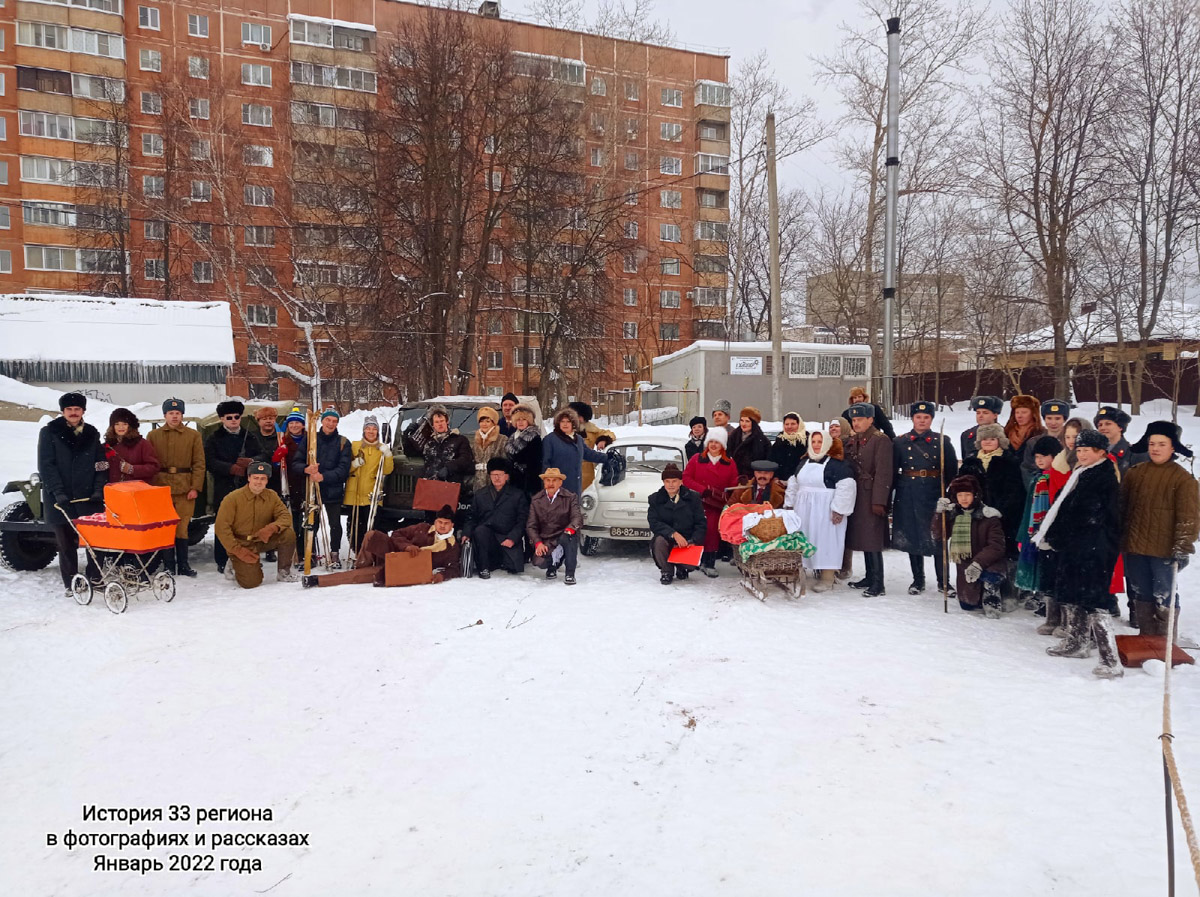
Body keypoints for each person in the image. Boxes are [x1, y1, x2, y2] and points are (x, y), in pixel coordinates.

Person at [1035, 428, 1124, 677]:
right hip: (1077, 546)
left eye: (1087, 450)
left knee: (1095, 601)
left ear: (1100, 452)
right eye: (1080, 450)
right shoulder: (1081, 473)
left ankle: (1110, 660)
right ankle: (1077, 643)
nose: (1082, 454)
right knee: (1073, 595)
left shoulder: (1103, 476)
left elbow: (1084, 514)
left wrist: (1056, 534)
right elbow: (1064, 507)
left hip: (1095, 547)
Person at [1120, 421, 1199, 639]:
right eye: (1152, 443)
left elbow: (1189, 518)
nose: (1155, 448)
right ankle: (1147, 637)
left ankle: (1165, 641)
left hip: (1164, 551)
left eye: (1162, 444)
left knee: (1164, 594)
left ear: (1173, 447)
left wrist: (1182, 547)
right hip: (1135, 547)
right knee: (1141, 592)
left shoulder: (1183, 479)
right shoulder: (1134, 473)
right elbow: (1122, 509)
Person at [38, 392, 107, 594]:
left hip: (88, 498)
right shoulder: (49, 432)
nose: (73, 413)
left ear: (83, 411)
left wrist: (98, 489)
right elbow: (46, 465)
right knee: (66, 544)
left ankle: (94, 577)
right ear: (63, 411)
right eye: (69, 409)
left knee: (97, 542)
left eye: (77, 409)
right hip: (60, 498)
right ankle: (72, 583)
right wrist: (57, 492)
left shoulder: (92, 433)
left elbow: (101, 464)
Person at [892, 400, 958, 596]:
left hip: (933, 493)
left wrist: (947, 495)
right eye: (918, 417)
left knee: (938, 536)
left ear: (931, 419)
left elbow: (952, 471)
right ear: (912, 418)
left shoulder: (942, 441)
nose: (922, 421)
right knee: (913, 536)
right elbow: (894, 471)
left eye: (926, 417)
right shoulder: (900, 442)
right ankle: (917, 580)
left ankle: (943, 581)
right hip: (909, 493)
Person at [784, 428, 856, 592]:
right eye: (814, 442)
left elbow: (846, 487)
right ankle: (801, 571)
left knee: (826, 540)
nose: (816, 445)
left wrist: (839, 510)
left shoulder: (838, 464)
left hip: (826, 510)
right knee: (804, 538)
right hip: (803, 509)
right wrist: (789, 504)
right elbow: (794, 484)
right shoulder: (803, 462)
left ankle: (827, 577)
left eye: (820, 441)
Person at [932, 474, 1008, 616]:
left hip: (987, 563)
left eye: (968, 494)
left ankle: (991, 596)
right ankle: (976, 595)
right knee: (967, 605)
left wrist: (978, 564)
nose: (964, 498)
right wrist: (939, 514)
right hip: (965, 567)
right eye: (960, 495)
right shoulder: (953, 515)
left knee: (992, 574)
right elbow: (938, 535)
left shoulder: (989, 517)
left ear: (976, 495)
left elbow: (997, 546)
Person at [214, 461, 298, 588]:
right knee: (251, 583)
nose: (259, 482)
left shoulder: (272, 496)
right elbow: (221, 528)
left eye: (263, 478)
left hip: (261, 540)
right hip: (241, 544)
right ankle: (233, 562)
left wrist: (271, 528)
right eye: (255, 478)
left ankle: (284, 572)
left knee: (288, 534)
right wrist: (238, 551)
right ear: (248, 478)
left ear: (267, 480)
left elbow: (285, 517)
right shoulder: (232, 499)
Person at [147, 397, 205, 577]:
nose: (174, 417)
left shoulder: (193, 435)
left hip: (184, 487)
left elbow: (199, 463)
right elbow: (149, 462)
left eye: (178, 413)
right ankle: (169, 565)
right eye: (171, 413)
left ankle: (184, 565)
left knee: (182, 526)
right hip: (160, 487)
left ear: (182, 415)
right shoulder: (153, 436)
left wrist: (195, 487)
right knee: (165, 527)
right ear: (164, 415)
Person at [958, 423, 1026, 571]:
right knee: (981, 547)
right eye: (984, 439)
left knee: (1003, 547)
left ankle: (1010, 582)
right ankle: (985, 584)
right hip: (976, 514)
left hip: (1004, 514)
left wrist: (1000, 510)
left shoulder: (1009, 461)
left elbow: (1015, 490)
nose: (988, 442)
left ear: (1000, 441)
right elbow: (961, 486)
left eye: (992, 438)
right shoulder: (970, 462)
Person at [340, 504, 461, 586]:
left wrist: (442, 576)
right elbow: (397, 534)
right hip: (395, 553)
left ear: (452, 525)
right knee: (372, 535)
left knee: (368, 575)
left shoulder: (451, 546)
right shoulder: (422, 528)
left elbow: (454, 568)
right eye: (440, 522)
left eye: (446, 523)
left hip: (406, 568)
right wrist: (407, 546)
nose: (442, 525)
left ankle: (366, 572)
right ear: (435, 522)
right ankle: (361, 566)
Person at [843, 402, 893, 597]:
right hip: (858, 494)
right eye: (854, 420)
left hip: (872, 495)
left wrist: (879, 501)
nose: (856, 423)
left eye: (860, 419)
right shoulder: (857, 439)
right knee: (864, 537)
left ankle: (878, 583)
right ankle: (869, 576)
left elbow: (884, 473)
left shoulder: (880, 440)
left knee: (872, 539)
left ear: (871, 420)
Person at [1015, 436, 1063, 634]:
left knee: (1055, 575)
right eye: (1037, 456)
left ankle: (1061, 619)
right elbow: (1028, 509)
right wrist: (1023, 536)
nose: (1040, 460)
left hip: (1051, 534)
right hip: (1034, 531)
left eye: (1045, 456)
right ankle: (1051, 617)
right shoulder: (1037, 478)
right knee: (1045, 575)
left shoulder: (1056, 478)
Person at [205, 400, 254, 576]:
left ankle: (244, 555)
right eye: (229, 417)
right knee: (223, 524)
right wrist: (230, 468)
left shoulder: (249, 435)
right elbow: (209, 461)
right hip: (223, 487)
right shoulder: (214, 438)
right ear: (222, 419)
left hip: (245, 487)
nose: (233, 420)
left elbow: (263, 453)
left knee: (244, 524)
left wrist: (251, 463)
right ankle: (222, 559)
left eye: (236, 417)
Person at [682, 427, 739, 576]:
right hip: (697, 502)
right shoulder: (696, 459)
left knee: (712, 532)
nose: (713, 445)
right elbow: (686, 478)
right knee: (695, 531)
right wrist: (702, 490)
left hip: (716, 504)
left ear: (723, 445)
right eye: (711, 441)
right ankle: (692, 561)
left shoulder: (730, 463)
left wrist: (736, 486)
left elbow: (734, 484)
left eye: (717, 442)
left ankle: (709, 563)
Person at [304, 409, 352, 569]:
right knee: (312, 523)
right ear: (322, 421)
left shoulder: (343, 442)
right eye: (328, 420)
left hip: (333, 490)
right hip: (312, 489)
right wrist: (307, 469)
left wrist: (324, 477)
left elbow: (343, 469)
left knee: (335, 524)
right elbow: (297, 461)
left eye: (334, 421)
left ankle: (334, 554)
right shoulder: (310, 439)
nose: (331, 424)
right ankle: (310, 553)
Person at [406, 404, 475, 516]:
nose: (440, 424)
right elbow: (410, 453)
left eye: (442, 421)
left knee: (449, 522)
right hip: (430, 488)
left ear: (447, 421)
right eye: (437, 422)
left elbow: (466, 459)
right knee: (430, 523)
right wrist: (407, 435)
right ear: (432, 425)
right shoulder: (428, 442)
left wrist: (449, 468)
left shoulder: (459, 440)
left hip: (450, 488)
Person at [467, 457, 529, 578]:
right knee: (480, 530)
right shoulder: (480, 495)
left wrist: (512, 538)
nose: (497, 478)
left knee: (511, 567)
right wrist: (466, 534)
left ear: (507, 476)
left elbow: (522, 521)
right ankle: (483, 568)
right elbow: (471, 518)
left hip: (507, 539)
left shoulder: (518, 495)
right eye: (494, 474)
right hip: (487, 540)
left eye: (500, 475)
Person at [647, 463, 707, 585]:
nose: (671, 485)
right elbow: (654, 522)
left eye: (674, 481)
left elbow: (701, 522)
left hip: (687, 540)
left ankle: (682, 568)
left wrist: (693, 540)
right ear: (663, 482)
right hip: (666, 538)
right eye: (667, 481)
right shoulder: (655, 499)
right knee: (658, 541)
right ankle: (666, 571)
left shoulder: (693, 498)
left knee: (690, 564)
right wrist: (673, 534)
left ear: (681, 482)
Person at [344, 415, 395, 556]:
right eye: (368, 428)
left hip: (372, 495)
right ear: (363, 430)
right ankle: (358, 553)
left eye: (374, 429)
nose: (371, 431)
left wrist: (388, 455)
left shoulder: (381, 449)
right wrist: (354, 465)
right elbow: (344, 468)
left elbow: (387, 470)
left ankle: (371, 554)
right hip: (354, 494)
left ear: (378, 432)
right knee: (355, 527)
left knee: (372, 526)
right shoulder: (354, 446)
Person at [527, 467, 583, 584]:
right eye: (548, 480)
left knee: (569, 538)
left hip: (564, 535)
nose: (550, 483)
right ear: (544, 482)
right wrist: (538, 543)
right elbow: (531, 526)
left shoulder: (570, 497)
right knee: (539, 562)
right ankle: (552, 566)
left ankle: (570, 573)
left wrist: (570, 529)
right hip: (546, 539)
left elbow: (577, 518)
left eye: (554, 480)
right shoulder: (536, 500)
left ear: (560, 482)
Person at [541, 407, 606, 497]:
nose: (565, 424)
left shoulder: (578, 439)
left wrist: (607, 457)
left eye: (568, 421)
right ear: (558, 423)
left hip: (575, 488)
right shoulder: (550, 439)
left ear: (573, 424)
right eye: (562, 421)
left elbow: (588, 453)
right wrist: (549, 486)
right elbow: (545, 463)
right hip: (558, 489)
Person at [104, 408, 160, 485]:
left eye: (124, 424)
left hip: (137, 491)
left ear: (130, 426)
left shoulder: (142, 444)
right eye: (117, 424)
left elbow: (154, 467)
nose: (121, 427)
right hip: (114, 492)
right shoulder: (107, 446)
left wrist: (133, 469)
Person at [568, 401, 615, 492]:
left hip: (586, 472)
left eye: (579, 416)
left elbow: (610, 434)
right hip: (566, 470)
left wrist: (603, 439)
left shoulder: (591, 431)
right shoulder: (563, 429)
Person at [242, 406, 286, 496]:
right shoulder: (250, 437)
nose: (268, 421)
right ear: (258, 421)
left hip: (277, 480)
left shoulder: (281, 437)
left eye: (271, 418)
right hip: (256, 480)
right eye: (264, 419)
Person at [282, 409, 310, 549]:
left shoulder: (310, 440)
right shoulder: (283, 441)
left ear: (303, 425)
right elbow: (278, 466)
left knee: (309, 518)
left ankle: (307, 546)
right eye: (291, 423)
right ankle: (295, 548)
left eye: (297, 423)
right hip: (290, 483)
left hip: (307, 482)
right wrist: (278, 460)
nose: (294, 425)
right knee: (295, 517)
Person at [1004, 394, 1045, 487]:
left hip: (1029, 481)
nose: (1019, 416)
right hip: (1008, 484)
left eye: (1024, 412)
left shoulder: (1040, 433)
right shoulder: (1005, 433)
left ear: (1033, 413)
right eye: (1017, 412)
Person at [504, 403, 543, 495]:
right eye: (518, 420)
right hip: (514, 480)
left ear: (529, 421)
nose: (520, 422)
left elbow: (535, 464)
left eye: (524, 419)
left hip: (528, 482)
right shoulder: (513, 437)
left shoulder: (534, 438)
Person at [1094, 405, 1145, 475]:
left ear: (1120, 427)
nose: (1102, 427)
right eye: (1100, 425)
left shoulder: (1134, 455)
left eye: (1108, 424)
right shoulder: (1093, 452)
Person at [728, 406, 771, 482]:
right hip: (734, 478)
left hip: (753, 480)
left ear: (753, 423)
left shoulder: (763, 441)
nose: (743, 424)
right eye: (742, 420)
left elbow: (766, 462)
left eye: (747, 421)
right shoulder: (733, 437)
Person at [471, 407, 509, 492]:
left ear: (494, 423)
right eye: (482, 421)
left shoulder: (502, 439)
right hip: (478, 484)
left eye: (488, 421)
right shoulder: (475, 441)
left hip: (496, 484)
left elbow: (505, 464)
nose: (484, 424)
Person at [960, 395, 1002, 461]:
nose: (980, 416)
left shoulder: (1006, 433)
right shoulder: (967, 435)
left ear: (995, 415)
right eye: (978, 413)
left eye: (985, 413)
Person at [769, 412, 808, 481]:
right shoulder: (779, 442)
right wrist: (775, 476)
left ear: (799, 425)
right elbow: (772, 461)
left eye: (793, 424)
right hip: (780, 482)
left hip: (801, 482)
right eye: (787, 424)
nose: (789, 427)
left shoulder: (807, 441)